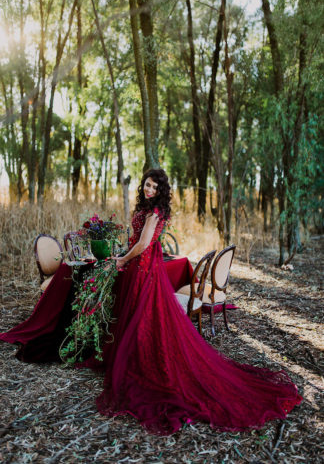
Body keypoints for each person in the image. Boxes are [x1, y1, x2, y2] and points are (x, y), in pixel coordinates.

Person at [78, 168, 302, 435]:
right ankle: (130, 353)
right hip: (141, 264)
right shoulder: (148, 208)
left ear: (161, 191)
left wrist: (123, 259)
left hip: (142, 266)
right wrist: (125, 254)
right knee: (137, 313)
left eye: (154, 187)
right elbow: (136, 240)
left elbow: (144, 243)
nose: (149, 190)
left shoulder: (155, 213)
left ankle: (137, 359)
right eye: (146, 185)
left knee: (142, 313)